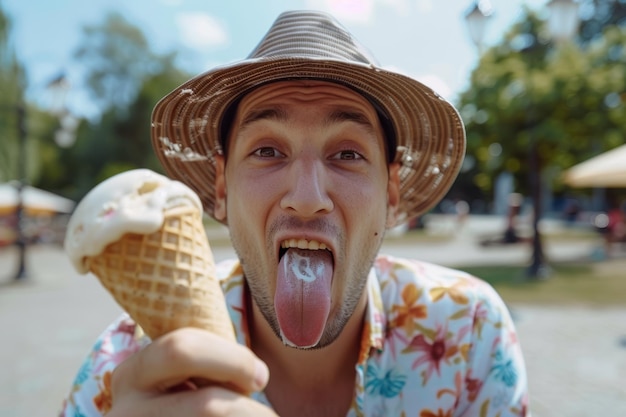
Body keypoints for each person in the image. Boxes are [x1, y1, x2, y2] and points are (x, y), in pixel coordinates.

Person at [59, 10, 528, 417]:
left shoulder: (470, 332)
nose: (306, 198)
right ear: (222, 188)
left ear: (392, 191)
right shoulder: (122, 361)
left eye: (347, 154)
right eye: (267, 150)